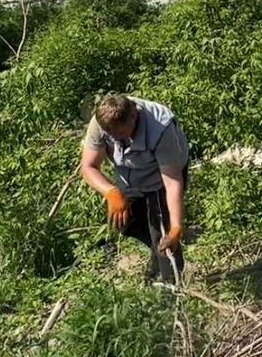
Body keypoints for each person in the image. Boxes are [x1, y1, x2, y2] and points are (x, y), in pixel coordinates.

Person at [80, 95, 190, 286]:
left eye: (120, 134)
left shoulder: (160, 129)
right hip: (129, 180)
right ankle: (157, 254)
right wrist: (111, 192)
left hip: (160, 182)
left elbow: (172, 183)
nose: (115, 139)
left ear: (134, 116)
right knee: (123, 221)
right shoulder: (102, 122)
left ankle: (173, 295)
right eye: (110, 135)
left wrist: (176, 227)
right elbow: (88, 167)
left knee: (164, 237)